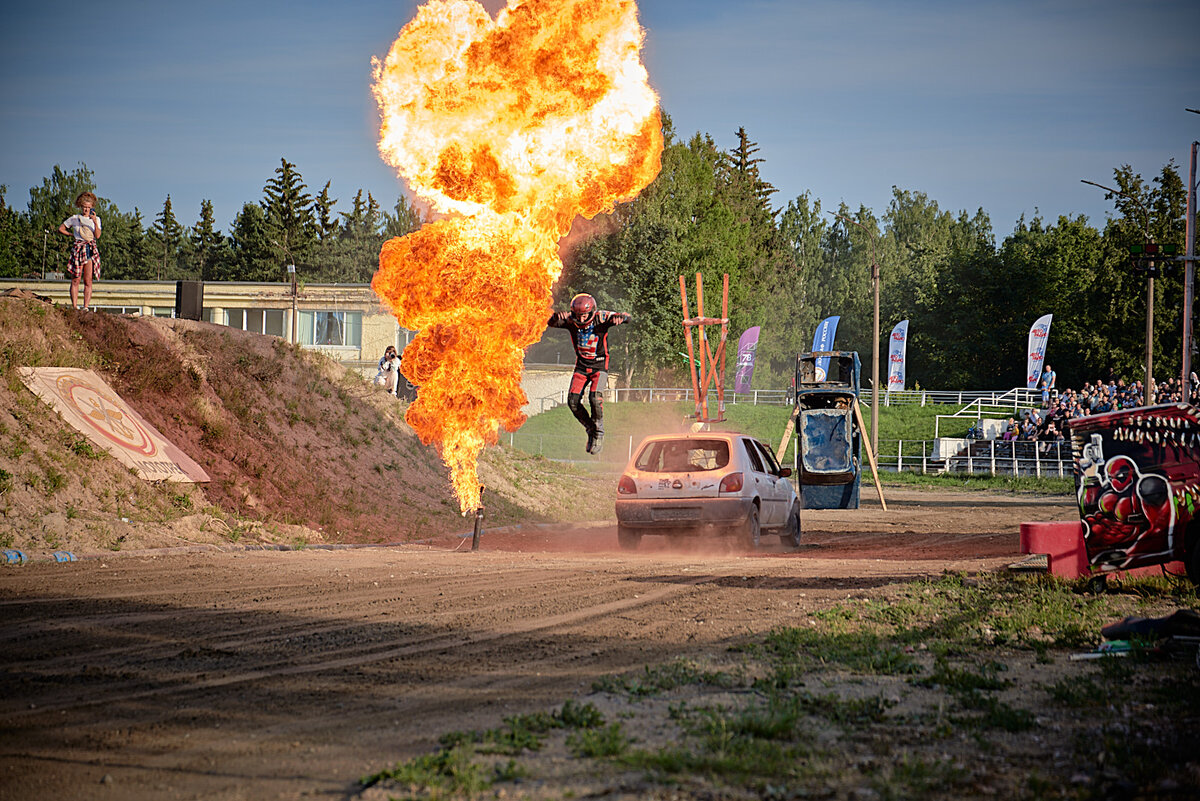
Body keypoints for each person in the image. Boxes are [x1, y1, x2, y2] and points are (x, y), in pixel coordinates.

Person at [547, 293, 631, 455]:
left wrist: (620, 318)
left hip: (599, 367)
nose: (581, 319)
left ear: (592, 311)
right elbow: (549, 322)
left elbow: (628, 317)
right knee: (572, 402)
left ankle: (599, 430)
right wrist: (556, 316)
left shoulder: (601, 317)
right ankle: (590, 429)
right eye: (578, 315)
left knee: (594, 397)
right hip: (581, 367)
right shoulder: (571, 320)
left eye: (584, 315)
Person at [57, 191, 102, 310]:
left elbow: (97, 235)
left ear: (92, 207)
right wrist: (71, 235)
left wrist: (94, 222)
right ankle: (75, 306)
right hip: (78, 248)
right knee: (76, 278)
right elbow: (61, 228)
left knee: (88, 280)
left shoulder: (96, 219)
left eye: (88, 207)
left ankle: (86, 306)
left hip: (90, 248)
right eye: (84, 207)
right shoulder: (75, 218)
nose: (86, 209)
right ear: (80, 206)